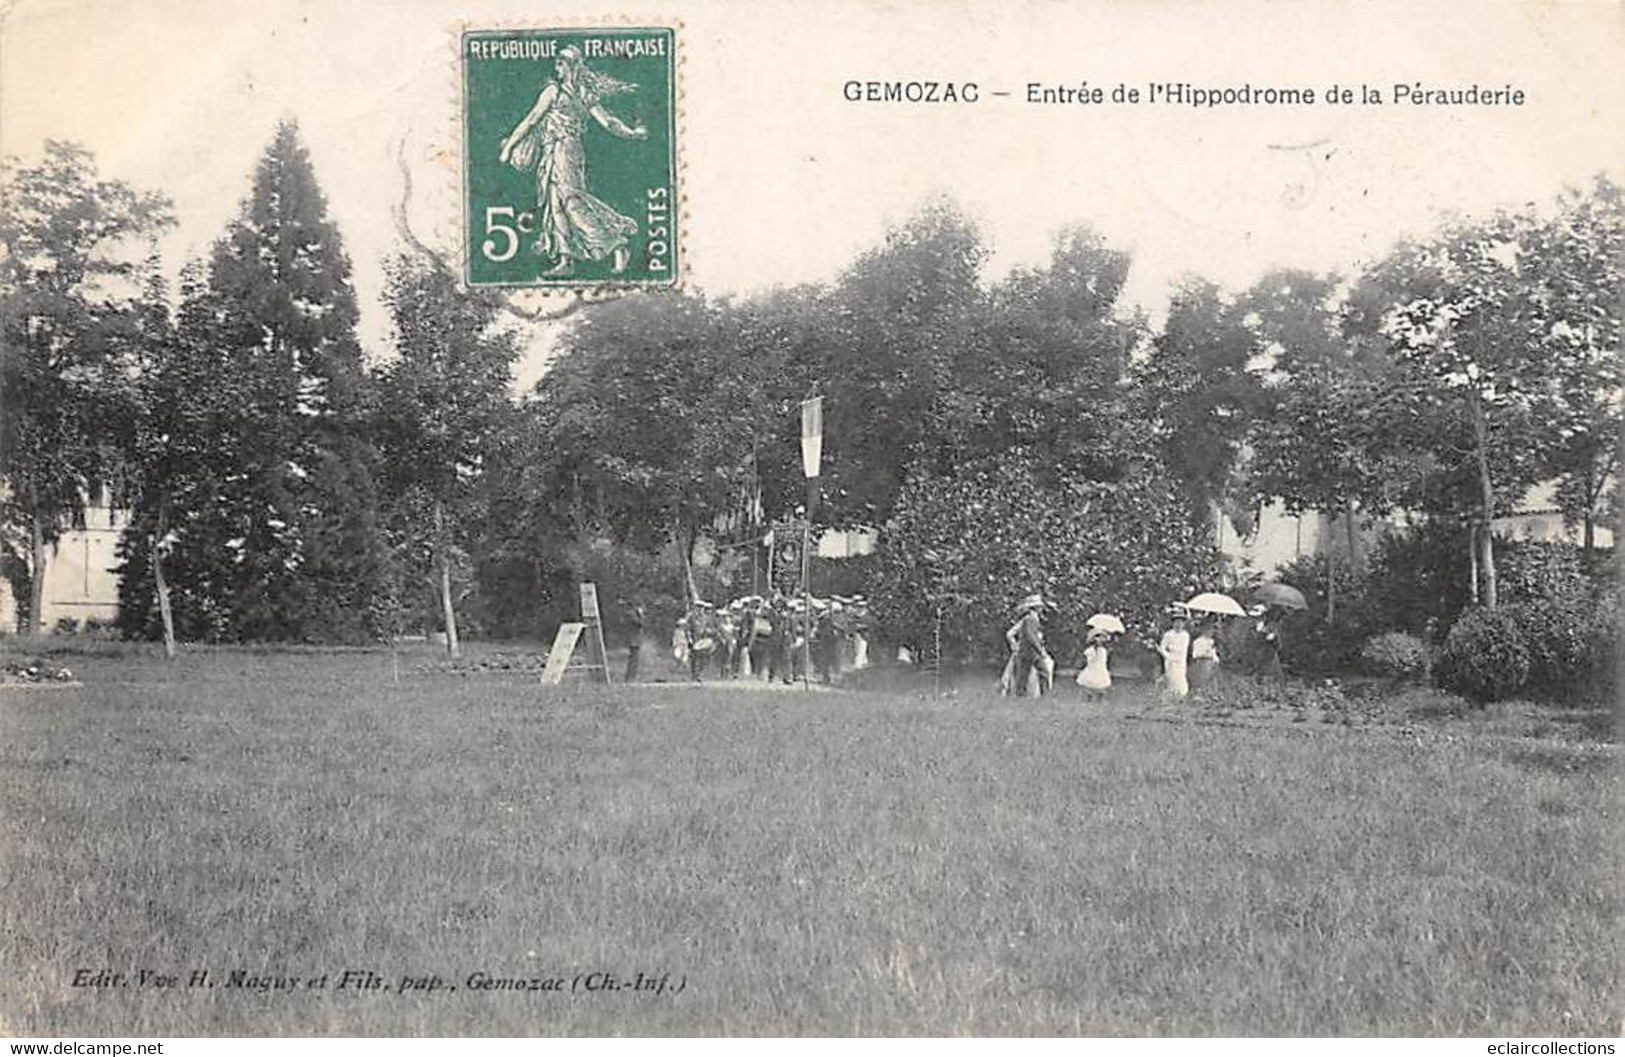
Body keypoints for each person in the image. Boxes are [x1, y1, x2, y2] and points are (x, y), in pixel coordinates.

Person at [497, 46, 648, 276]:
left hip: (566, 150)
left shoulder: (571, 92)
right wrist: (510, 146)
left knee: (571, 201)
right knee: (555, 204)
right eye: (556, 63)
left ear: (572, 66)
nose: (557, 67)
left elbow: (607, 121)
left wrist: (631, 133)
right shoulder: (560, 91)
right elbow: (531, 121)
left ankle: (616, 244)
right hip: (553, 151)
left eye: (561, 63)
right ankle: (566, 260)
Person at [1159, 606, 1191, 699]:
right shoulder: (1168, 634)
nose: (1178, 624)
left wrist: (1174, 651)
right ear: (1173, 622)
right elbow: (1162, 647)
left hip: (1180, 662)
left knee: (1181, 683)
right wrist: (1167, 655)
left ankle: (1180, 699)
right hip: (1170, 661)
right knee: (1171, 681)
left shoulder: (1185, 635)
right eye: (1176, 621)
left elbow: (1182, 649)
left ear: (1183, 623)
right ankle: (1170, 700)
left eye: (1181, 622)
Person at [1076, 629, 1112, 701]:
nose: (1099, 640)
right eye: (1097, 637)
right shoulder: (1090, 650)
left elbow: (1104, 660)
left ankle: (1100, 697)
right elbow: (1088, 659)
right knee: (1089, 682)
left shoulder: (1103, 650)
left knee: (1101, 682)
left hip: (1101, 668)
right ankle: (1089, 696)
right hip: (1092, 667)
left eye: (1102, 638)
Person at [1189, 620, 1220, 692]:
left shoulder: (1211, 642)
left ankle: (1212, 691)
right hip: (1201, 665)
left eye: (1211, 630)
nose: (1210, 632)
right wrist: (1206, 654)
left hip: (1211, 665)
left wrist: (1214, 658)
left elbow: (1214, 655)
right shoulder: (1198, 641)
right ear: (1203, 630)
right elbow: (1195, 654)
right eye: (1208, 629)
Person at [623, 600, 645, 683]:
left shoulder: (632, 613)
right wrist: (641, 615)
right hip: (634, 640)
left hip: (636, 639)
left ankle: (632, 676)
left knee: (635, 659)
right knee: (633, 659)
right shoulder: (632, 614)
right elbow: (639, 623)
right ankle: (630, 677)